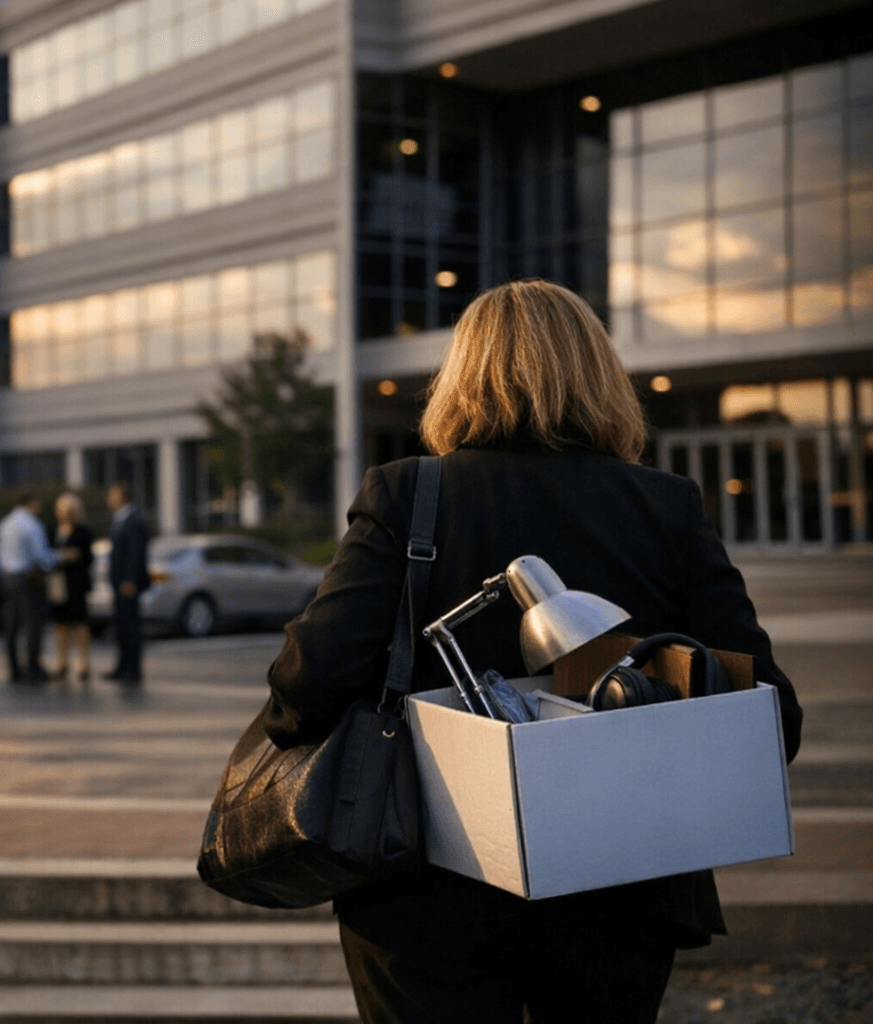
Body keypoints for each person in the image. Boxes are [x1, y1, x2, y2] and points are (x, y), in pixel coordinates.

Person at [264, 279, 803, 1024]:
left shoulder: (407, 495)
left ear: (460, 378)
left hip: (422, 889)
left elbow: (303, 688)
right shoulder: (667, 506)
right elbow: (774, 718)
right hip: (621, 884)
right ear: (601, 376)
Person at [0, 491, 58, 683]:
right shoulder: (31, 524)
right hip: (27, 577)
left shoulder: (4, 524)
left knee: (12, 625)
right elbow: (42, 556)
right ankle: (33, 667)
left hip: (7, 577)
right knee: (32, 623)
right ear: (31, 503)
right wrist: (61, 557)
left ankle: (14, 668)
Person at [105, 482, 151, 685]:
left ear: (122, 497)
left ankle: (133, 669)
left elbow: (135, 553)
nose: (108, 499)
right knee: (122, 626)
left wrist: (130, 580)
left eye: (112, 495)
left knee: (131, 626)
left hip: (128, 584)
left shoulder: (133, 520)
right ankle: (123, 666)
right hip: (119, 583)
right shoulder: (120, 519)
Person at [49, 491, 96, 683]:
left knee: (79, 623)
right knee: (60, 624)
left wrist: (74, 556)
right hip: (58, 583)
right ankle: (62, 661)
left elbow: (88, 557)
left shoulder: (83, 532)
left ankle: (84, 662)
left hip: (76, 583)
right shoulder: (53, 530)